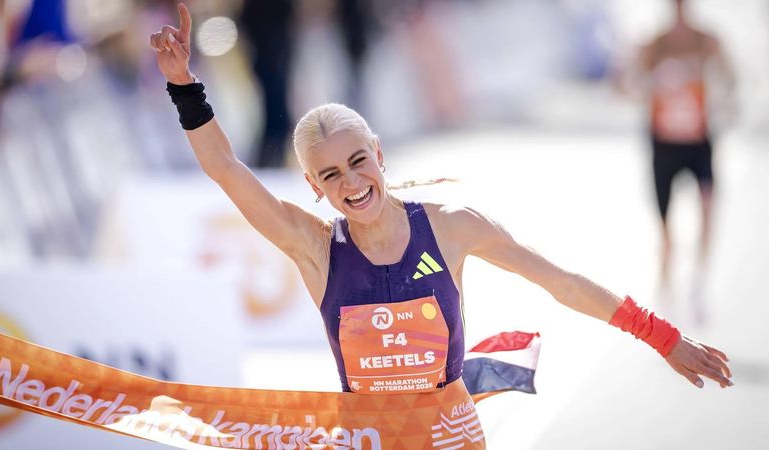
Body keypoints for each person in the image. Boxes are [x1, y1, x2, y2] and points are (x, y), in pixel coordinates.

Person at [150, 0, 732, 426]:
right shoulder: (314, 246)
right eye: (331, 175)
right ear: (314, 186)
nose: (353, 183)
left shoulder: (452, 225)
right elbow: (226, 168)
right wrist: (185, 87)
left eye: (359, 162)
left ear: (378, 153)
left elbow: (562, 283)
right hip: (366, 440)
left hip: (451, 438)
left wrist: (662, 337)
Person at [636, 0, 735, 312]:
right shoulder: (655, 44)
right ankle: (665, 289)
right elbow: (628, 82)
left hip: (698, 139)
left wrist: (722, 101)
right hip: (664, 142)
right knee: (666, 224)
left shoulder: (705, 39)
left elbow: (730, 77)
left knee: (707, 206)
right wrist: (656, 85)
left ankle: (699, 280)